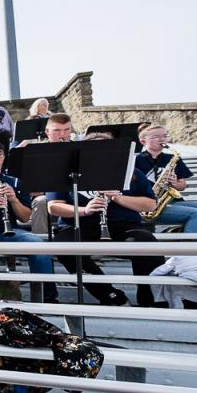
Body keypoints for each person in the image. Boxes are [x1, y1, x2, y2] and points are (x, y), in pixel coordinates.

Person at [46, 132, 162, 307]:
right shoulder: (68, 173)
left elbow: (150, 205)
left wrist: (118, 198)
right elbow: (53, 206)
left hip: (123, 226)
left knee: (147, 244)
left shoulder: (132, 172)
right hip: (80, 225)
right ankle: (110, 295)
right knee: (63, 245)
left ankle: (151, 300)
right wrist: (85, 210)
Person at [0, 139, 57, 301]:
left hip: (8, 231)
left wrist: (13, 199)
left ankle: (47, 298)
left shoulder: (15, 182)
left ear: (4, 158)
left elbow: (25, 217)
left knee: (39, 246)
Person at [136, 123, 197, 233]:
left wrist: (175, 183)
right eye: (156, 137)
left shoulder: (173, 158)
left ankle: (189, 236)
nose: (161, 139)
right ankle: (190, 247)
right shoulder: (135, 160)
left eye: (164, 136)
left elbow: (183, 185)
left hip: (172, 202)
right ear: (143, 140)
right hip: (148, 205)